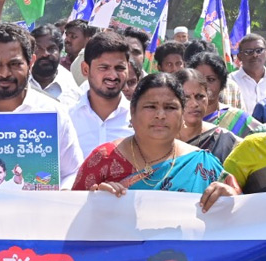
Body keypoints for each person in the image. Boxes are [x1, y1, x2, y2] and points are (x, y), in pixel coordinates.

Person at [72, 71, 237, 203]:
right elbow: (70, 218)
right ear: (133, 111)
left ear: (182, 115)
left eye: (170, 107)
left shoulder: (202, 164)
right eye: (150, 106)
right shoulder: (103, 160)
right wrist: (93, 203)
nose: (160, 115)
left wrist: (230, 199)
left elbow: (241, 219)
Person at [0, 23, 84, 188]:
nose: (4, 73)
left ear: (30, 63)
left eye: (14, 64)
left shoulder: (53, 113)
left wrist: (63, 192)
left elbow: (73, 172)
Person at [69, 30, 131, 157]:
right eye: (104, 68)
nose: (113, 76)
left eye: (120, 68)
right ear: (85, 69)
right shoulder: (67, 120)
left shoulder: (140, 120)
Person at [186, 51, 266, 138]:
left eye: (211, 79)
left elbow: (264, 139)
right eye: (200, 79)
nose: (205, 85)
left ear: (222, 83)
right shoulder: (182, 116)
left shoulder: (237, 119)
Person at [174, 68, 238, 163]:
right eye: (186, 98)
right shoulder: (161, 139)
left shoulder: (222, 140)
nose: (194, 104)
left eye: (200, 97)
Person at [29, 24, 80, 106]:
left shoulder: (71, 88)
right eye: (38, 49)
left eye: (51, 49)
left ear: (59, 51)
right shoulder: (19, 82)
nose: (45, 54)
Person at [231, 34, 266, 114]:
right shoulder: (231, 81)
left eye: (259, 50)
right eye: (248, 52)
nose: (255, 55)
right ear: (239, 56)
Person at [63, 19, 94, 84]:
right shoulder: (59, 64)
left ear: (88, 40)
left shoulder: (93, 68)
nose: (67, 40)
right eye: (66, 35)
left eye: (73, 36)